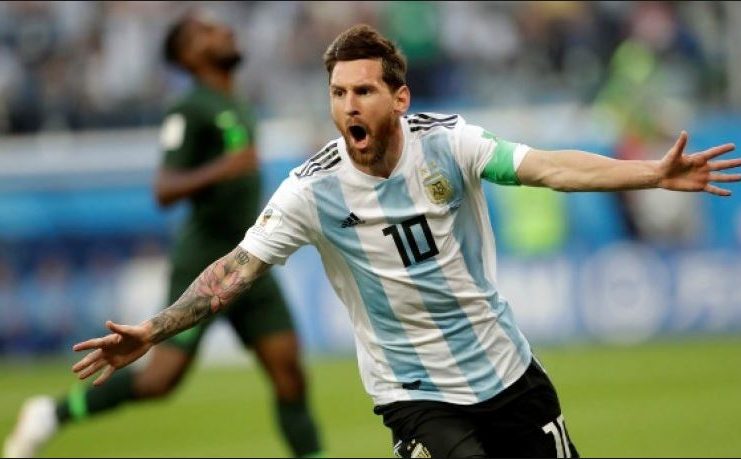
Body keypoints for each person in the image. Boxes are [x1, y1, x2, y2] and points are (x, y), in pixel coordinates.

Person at [67, 24, 740, 458]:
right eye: (338, 93)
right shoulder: (311, 190)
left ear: (400, 98)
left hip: (507, 370)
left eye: (363, 91)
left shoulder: (450, 144)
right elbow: (234, 270)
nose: (348, 106)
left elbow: (550, 168)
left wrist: (651, 173)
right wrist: (153, 330)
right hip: (413, 391)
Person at [3, 13, 323, 459]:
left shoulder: (234, 100)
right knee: (159, 380)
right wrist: (224, 168)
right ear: (189, 55)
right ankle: (50, 415)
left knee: (289, 374)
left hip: (252, 258)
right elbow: (164, 188)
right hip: (204, 262)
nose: (224, 30)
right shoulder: (190, 109)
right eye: (206, 32)